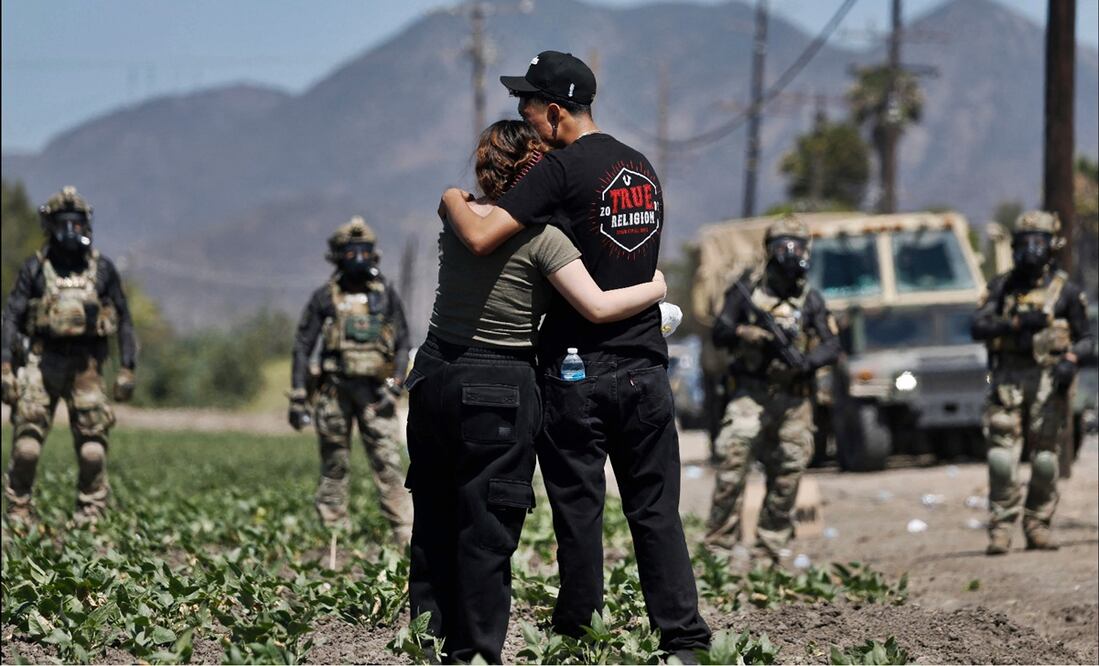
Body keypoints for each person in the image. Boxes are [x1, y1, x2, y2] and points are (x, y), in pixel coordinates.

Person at [440, 51, 711, 660]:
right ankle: (685, 639)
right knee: (655, 512)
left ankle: (581, 631)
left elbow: (483, 235)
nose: (522, 117)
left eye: (527, 106)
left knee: (579, 513)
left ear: (555, 111)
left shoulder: (559, 171)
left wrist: (453, 197)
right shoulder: (639, 166)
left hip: (576, 371)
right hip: (645, 368)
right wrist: (660, 287)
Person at [409, 119, 667, 664]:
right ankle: (474, 654)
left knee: (433, 519)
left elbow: (459, 204)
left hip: (434, 375)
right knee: (487, 530)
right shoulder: (547, 240)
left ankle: (425, 647)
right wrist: (657, 286)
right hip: (498, 386)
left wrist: (461, 194)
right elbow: (596, 307)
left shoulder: (454, 211)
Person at [704, 215, 840, 565]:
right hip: (750, 392)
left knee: (789, 470)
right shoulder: (746, 291)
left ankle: (770, 546)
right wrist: (746, 334)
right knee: (733, 460)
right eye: (782, 246)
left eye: (797, 246)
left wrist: (806, 363)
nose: (790, 253)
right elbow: (719, 331)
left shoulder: (811, 300)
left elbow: (831, 345)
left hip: (794, 398)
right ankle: (719, 547)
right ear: (769, 251)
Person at [1, 186, 136, 526]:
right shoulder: (34, 269)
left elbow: (124, 318)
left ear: (85, 225)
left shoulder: (102, 270)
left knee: (93, 449)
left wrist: (127, 368)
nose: (70, 231)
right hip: (41, 365)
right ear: (51, 226)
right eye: (63, 224)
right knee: (26, 447)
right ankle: (19, 510)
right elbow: (12, 316)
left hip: (86, 368)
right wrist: (5, 365)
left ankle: (91, 512)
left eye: (76, 224)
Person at [971, 210, 1092, 555]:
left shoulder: (1065, 292)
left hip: (1047, 381)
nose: (1031, 250)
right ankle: (1001, 528)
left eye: (1039, 242)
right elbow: (978, 326)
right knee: (1001, 459)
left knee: (1044, 461)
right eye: (1025, 243)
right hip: (1008, 378)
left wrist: (1070, 360)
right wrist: (1013, 325)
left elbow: (1086, 338)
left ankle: (1038, 523)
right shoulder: (1001, 287)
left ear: (1052, 246)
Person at [288, 216, 413, 545]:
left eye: (364, 251)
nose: (358, 258)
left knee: (388, 463)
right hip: (335, 392)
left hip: (376, 394)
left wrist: (395, 386)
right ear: (338, 256)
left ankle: (404, 533)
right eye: (351, 251)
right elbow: (303, 346)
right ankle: (334, 533)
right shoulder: (324, 298)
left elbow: (402, 344)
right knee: (334, 462)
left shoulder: (386, 296)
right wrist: (298, 396)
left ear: (374, 255)